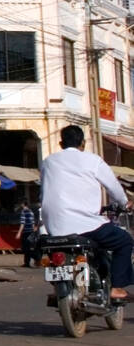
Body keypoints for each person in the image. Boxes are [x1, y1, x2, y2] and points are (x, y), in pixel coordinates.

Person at [39, 125, 133, 301]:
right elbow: (113, 186)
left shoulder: (48, 162)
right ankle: (117, 288)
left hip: (54, 225)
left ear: (61, 143)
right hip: (86, 224)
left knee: (54, 251)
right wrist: (124, 203)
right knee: (125, 241)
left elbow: (43, 190)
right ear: (83, 143)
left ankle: (59, 287)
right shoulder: (92, 160)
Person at [16, 200, 38, 268]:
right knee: (28, 247)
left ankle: (36, 257)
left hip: (26, 232)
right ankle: (27, 263)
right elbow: (33, 223)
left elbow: (22, 223)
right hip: (31, 232)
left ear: (23, 204)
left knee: (25, 248)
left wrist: (19, 233)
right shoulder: (31, 212)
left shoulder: (23, 212)